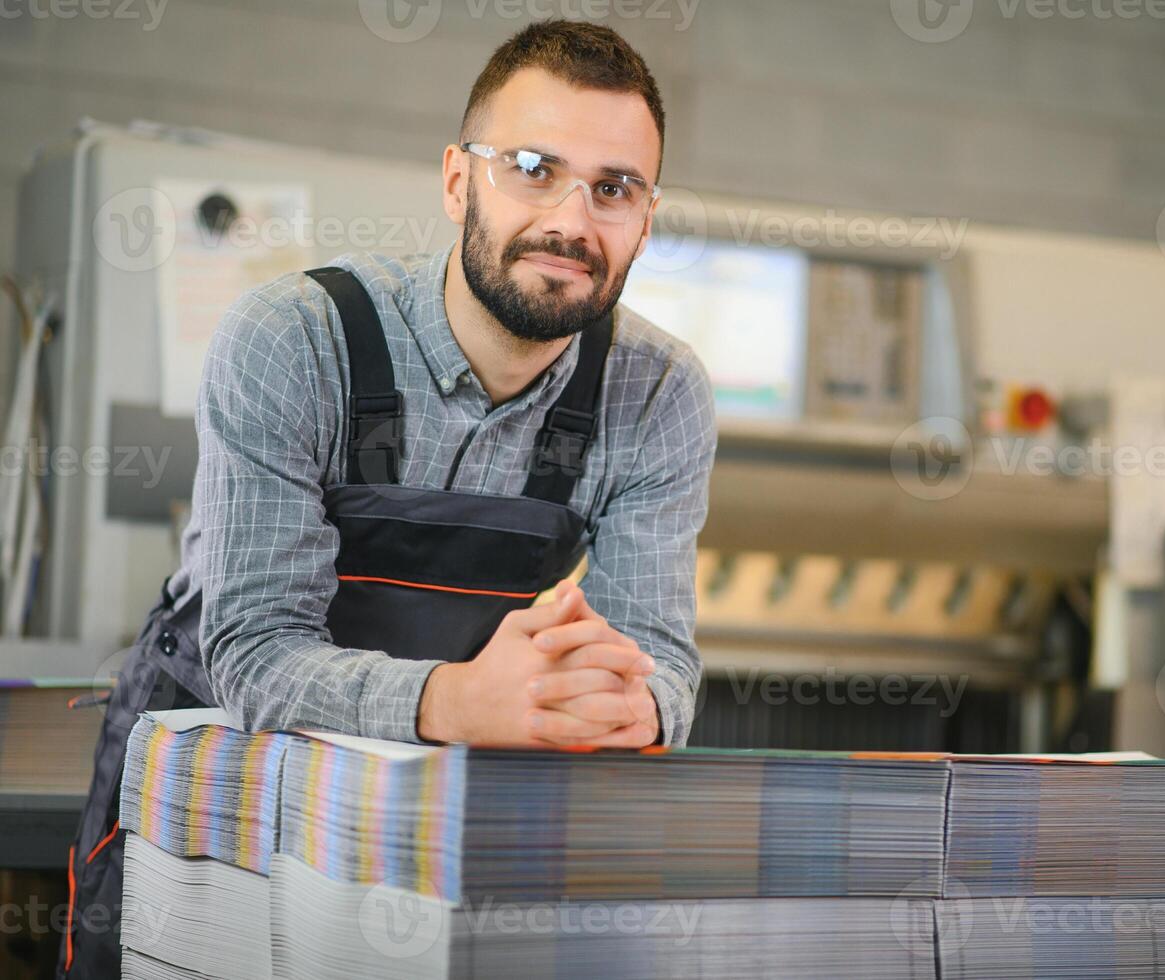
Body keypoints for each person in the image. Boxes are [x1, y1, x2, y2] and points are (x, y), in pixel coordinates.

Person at [58, 19, 715, 978]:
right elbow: (255, 653)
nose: (573, 220)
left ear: (645, 220)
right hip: (210, 819)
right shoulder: (293, 341)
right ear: (459, 180)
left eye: (614, 188)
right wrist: (461, 699)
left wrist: (625, 708)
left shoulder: (659, 393)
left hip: (419, 826)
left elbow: (659, 660)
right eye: (533, 167)